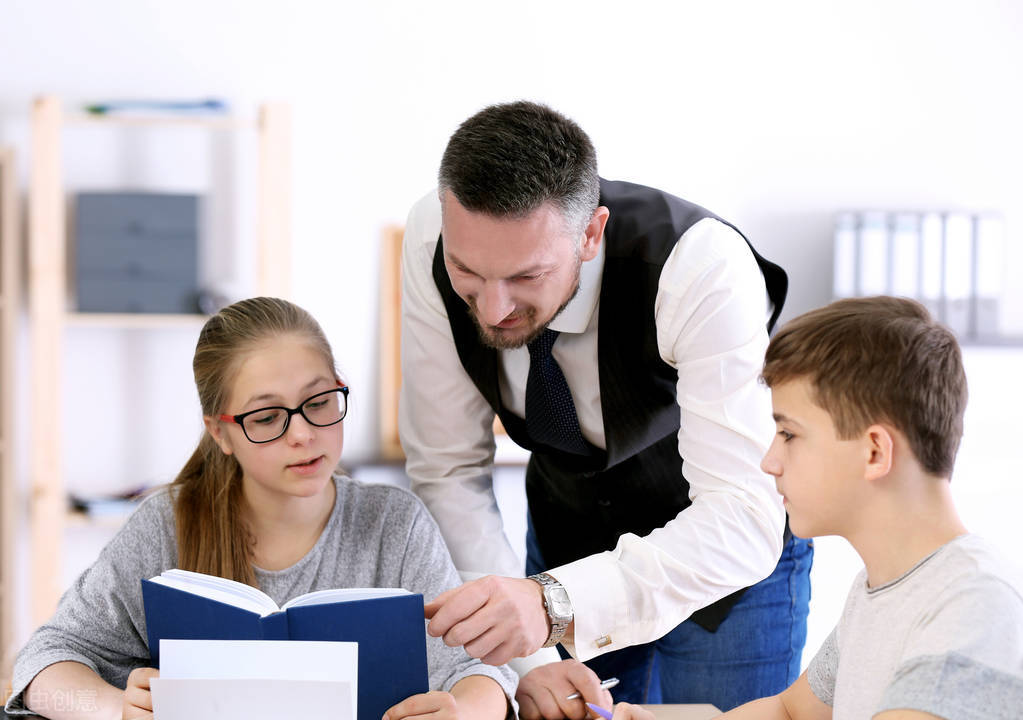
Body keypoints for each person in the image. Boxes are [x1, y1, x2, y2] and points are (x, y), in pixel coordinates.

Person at [399, 100, 812, 714]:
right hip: (565, 543)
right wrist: (532, 653)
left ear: (591, 233)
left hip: (725, 564)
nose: (490, 310)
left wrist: (553, 604)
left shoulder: (700, 268)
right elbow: (448, 470)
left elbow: (742, 513)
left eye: (526, 277)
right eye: (468, 273)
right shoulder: (433, 237)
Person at [5, 297, 516, 720]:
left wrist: (467, 711)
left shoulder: (393, 523)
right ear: (221, 432)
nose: (303, 434)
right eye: (268, 417)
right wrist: (114, 708)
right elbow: (40, 667)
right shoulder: (167, 524)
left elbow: (482, 672)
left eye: (319, 402)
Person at [719, 296, 1023, 719]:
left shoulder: (974, 605)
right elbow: (790, 712)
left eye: (789, 434)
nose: (769, 461)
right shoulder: (877, 591)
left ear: (875, 451)